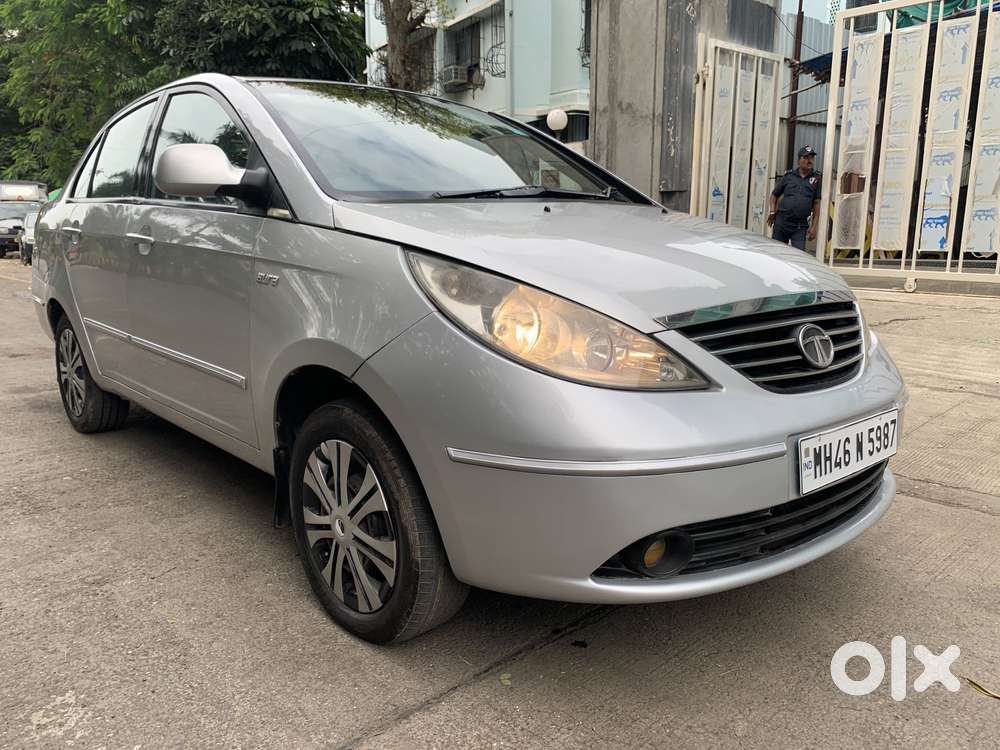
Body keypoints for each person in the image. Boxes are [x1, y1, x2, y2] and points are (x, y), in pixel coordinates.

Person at [767, 146, 822, 251]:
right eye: (806, 157)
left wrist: (814, 227)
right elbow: (774, 195)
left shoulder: (816, 179)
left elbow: (816, 204)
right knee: (777, 254)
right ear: (799, 160)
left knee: (799, 256)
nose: (809, 160)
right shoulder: (789, 176)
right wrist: (772, 212)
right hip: (782, 223)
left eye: (811, 158)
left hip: (800, 226)